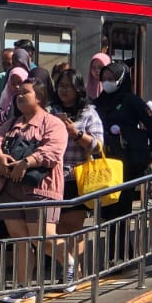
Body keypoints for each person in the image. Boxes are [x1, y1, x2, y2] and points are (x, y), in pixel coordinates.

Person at [0, 79, 66, 302]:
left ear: (39, 97)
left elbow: (53, 151)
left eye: (25, 93)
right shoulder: (11, 124)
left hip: (41, 188)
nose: (19, 96)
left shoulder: (53, 123)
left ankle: (68, 264)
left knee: (43, 238)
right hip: (10, 187)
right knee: (20, 238)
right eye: (17, 93)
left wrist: (27, 162)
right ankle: (23, 286)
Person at [49, 69, 104, 290]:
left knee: (74, 227)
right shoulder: (50, 112)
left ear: (78, 89)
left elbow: (98, 146)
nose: (63, 90)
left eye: (68, 86)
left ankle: (74, 272)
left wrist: (76, 133)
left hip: (77, 178)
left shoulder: (89, 113)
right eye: (60, 85)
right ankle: (69, 268)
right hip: (52, 179)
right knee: (57, 228)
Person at [95, 62, 152, 229]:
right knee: (107, 206)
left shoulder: (131, 100)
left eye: (111, 78)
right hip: (104, 161)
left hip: (126, 162)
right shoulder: (99, 102)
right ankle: (112, 249)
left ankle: (122, 248)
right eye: (104, 78)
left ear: (121, 79)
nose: (107, 82)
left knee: (123, 205)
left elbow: (151, 122)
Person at [0, 48, 33, 124]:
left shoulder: (31, 101)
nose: (17, 87)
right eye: (13, 84)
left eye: (20, 83)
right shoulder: (6, 96)